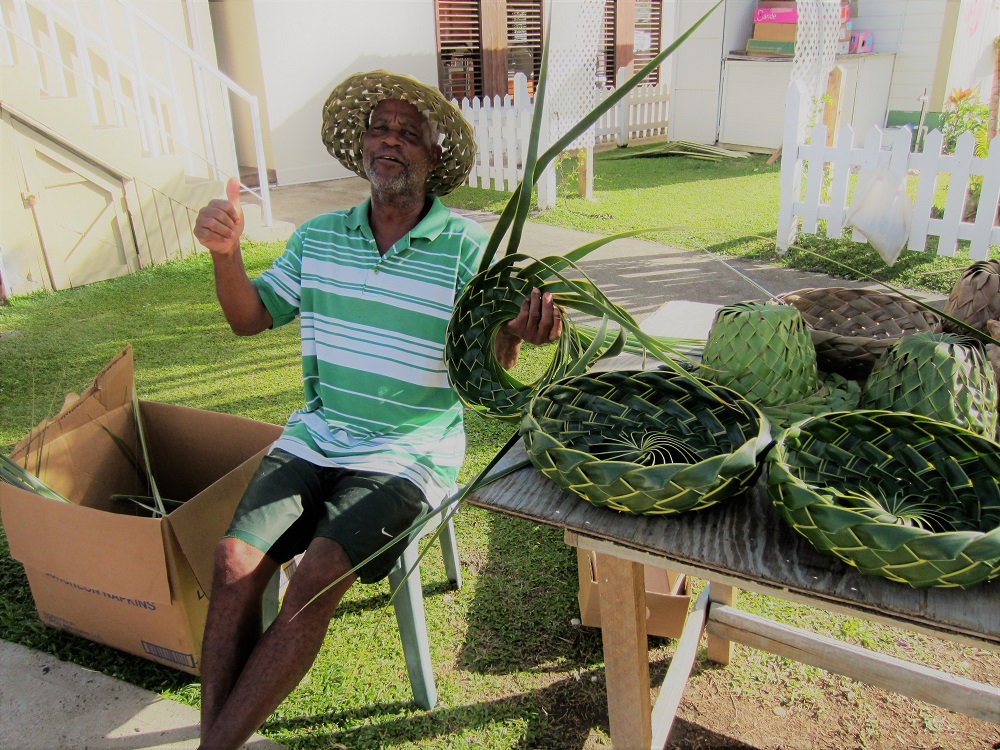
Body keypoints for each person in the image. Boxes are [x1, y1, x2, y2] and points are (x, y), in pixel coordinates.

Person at [192, 70, 561, 750]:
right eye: (380, 129)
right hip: (317, 438)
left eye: (409, 133)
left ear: (432, 157)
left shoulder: (464, 250)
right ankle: (219, 740)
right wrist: (227, 255)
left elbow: (491, 369)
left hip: (408, 450)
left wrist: (517, 332)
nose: (390, 140)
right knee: (232, 563)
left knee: (316, 576)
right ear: (362, 147)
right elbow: (249, 318)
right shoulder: (319, 237)